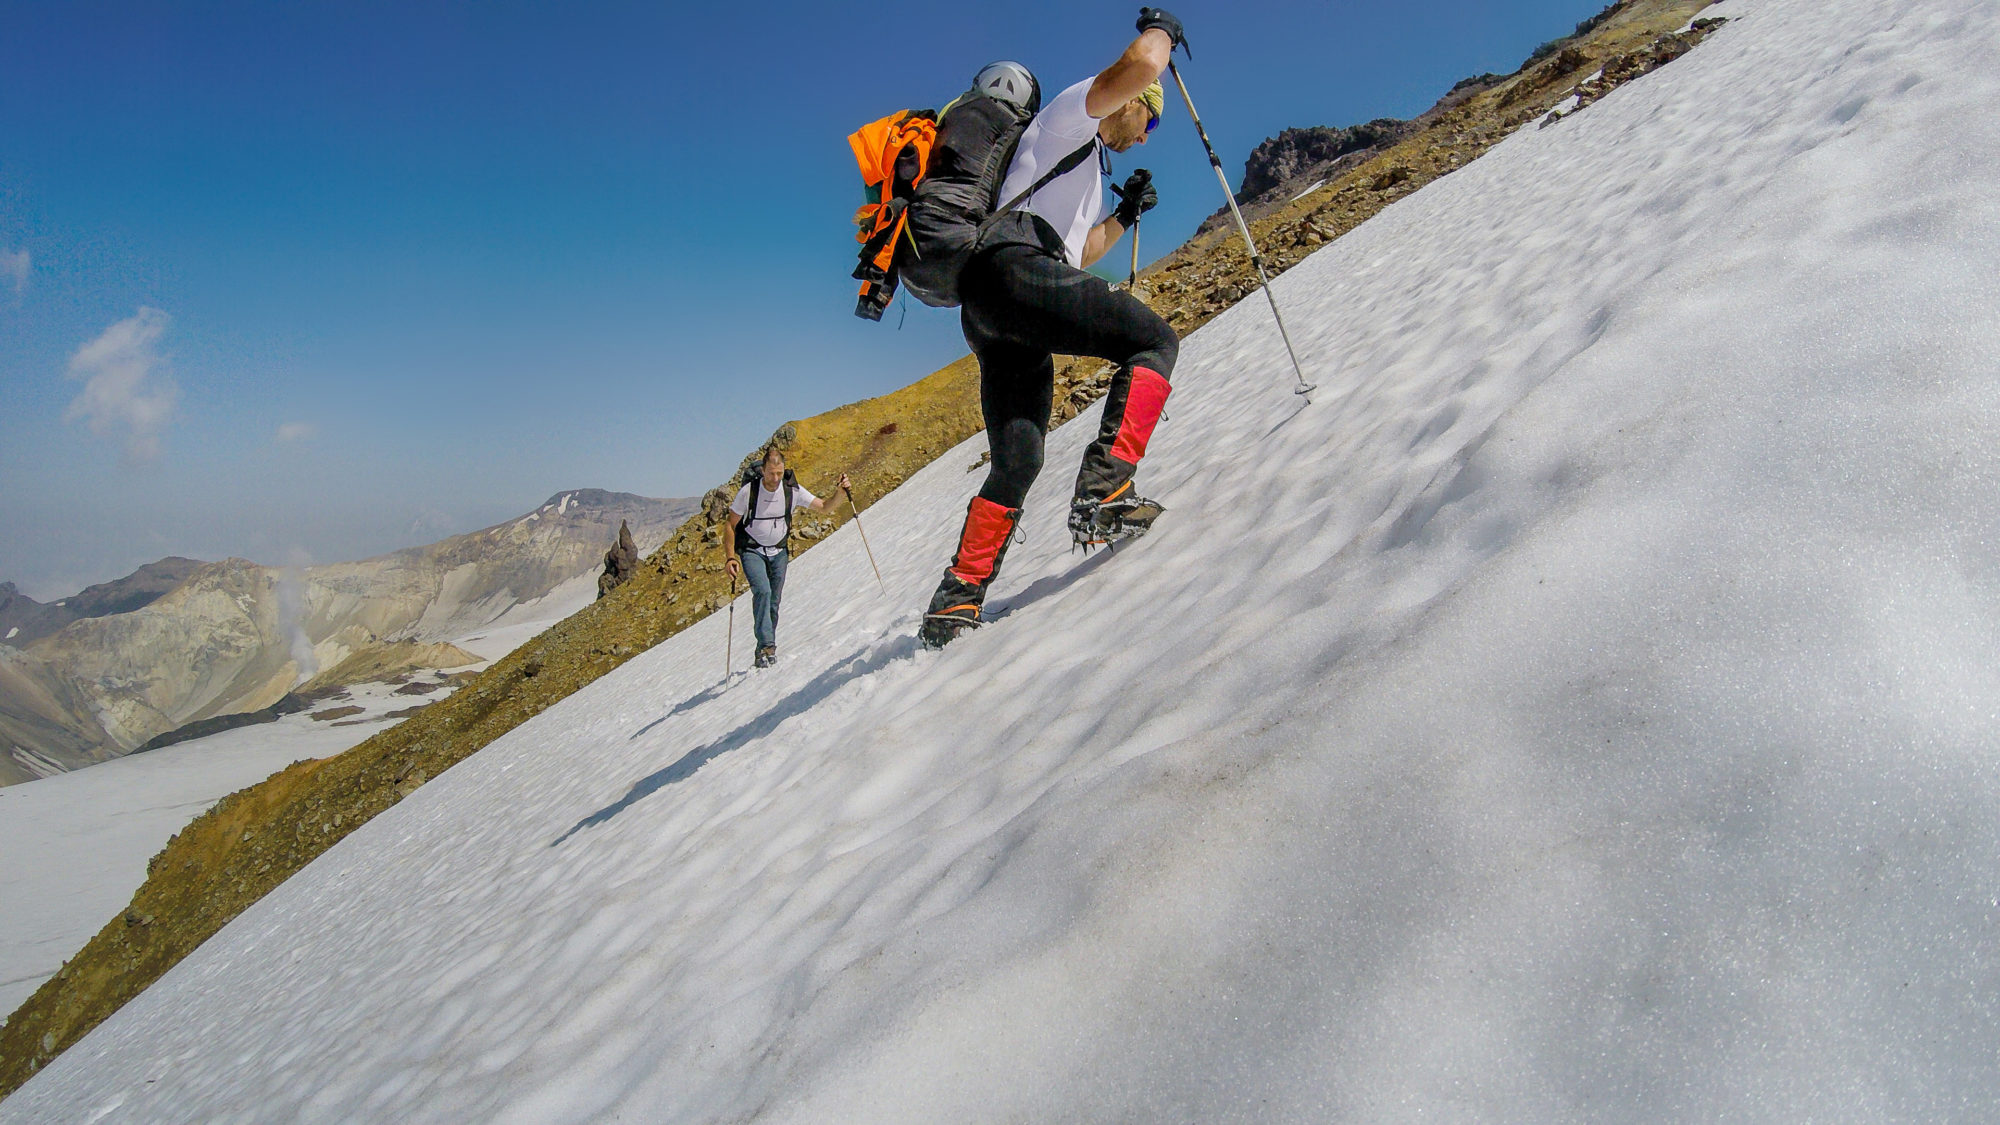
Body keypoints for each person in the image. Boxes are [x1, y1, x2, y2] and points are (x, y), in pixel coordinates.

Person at [920, 8, 1187, 649]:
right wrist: (1165, 31)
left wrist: (1122, 213)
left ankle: (955, 602)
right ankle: (1105, 485)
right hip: (1013, 270)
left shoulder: (1084, 160)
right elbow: (1145, 64)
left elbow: (1079, 252)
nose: (1147, 135)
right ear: (1131, 103)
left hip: (994, 302)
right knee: (1154, 340)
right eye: (1150, 118)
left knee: (1019, 458)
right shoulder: (1072, 112)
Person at [723, 447, 851, 667]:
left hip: (779, 551)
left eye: (779, 473)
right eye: (771, 473)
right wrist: (730, 558)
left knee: (773, 602)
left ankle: (762, 648)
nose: (775, 478)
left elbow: (824, 507)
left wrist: (840, 493)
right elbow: (730, 524)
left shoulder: (792, 490)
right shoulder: (748, 492)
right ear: (763, 470)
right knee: (762, 591)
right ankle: (767, 648)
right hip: (752, 550)